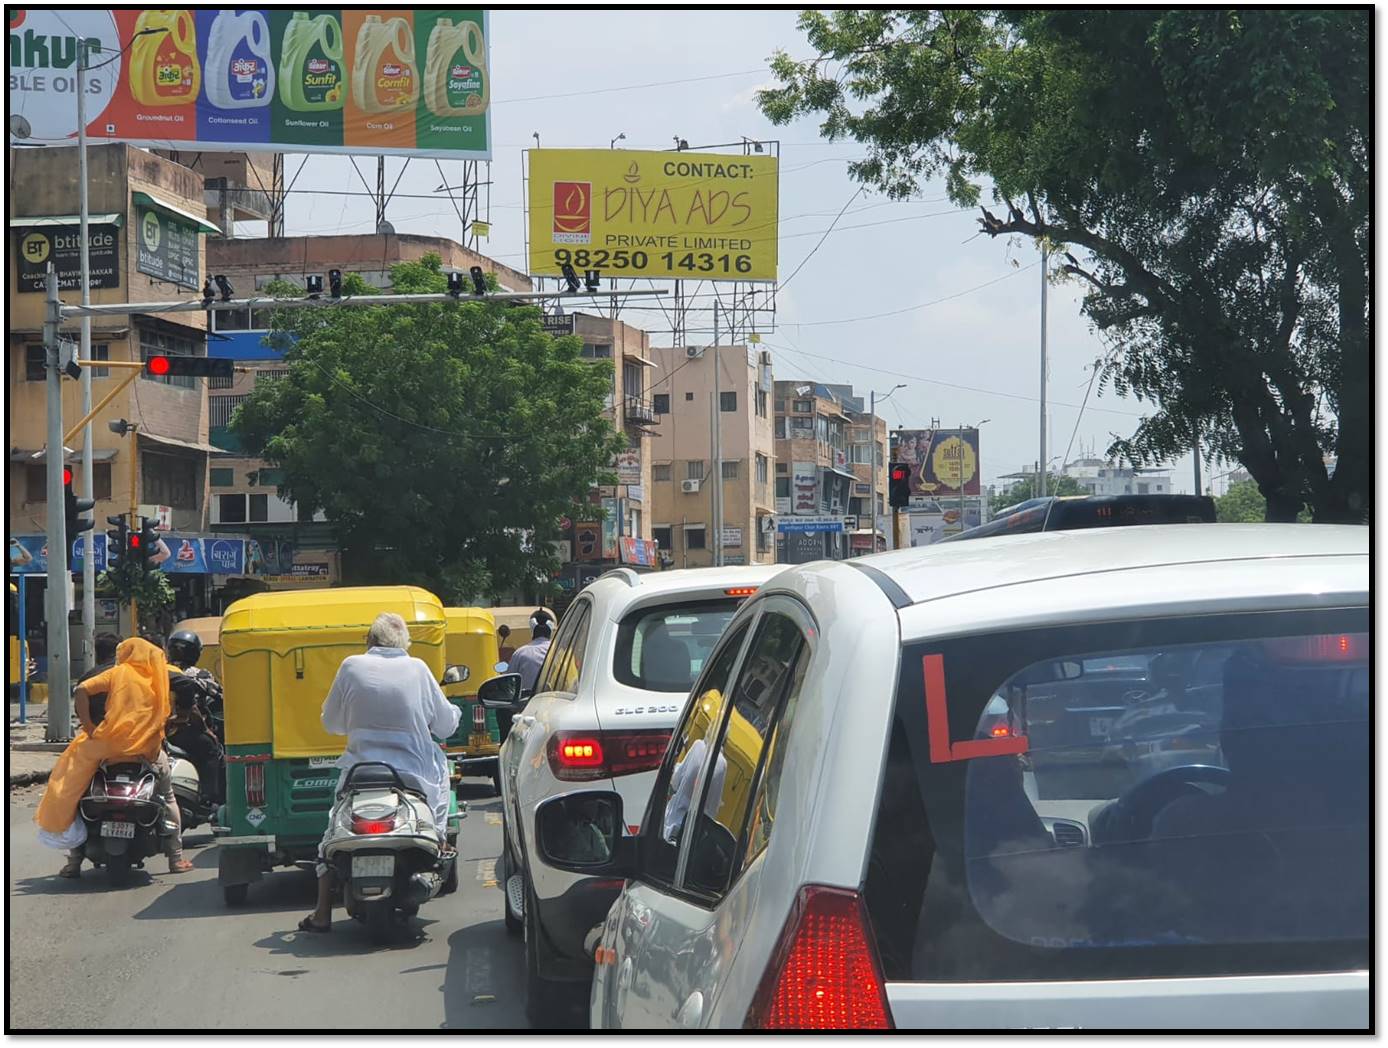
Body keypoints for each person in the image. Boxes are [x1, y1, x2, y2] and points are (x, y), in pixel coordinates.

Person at [299, 612, 461, 933]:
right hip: (415, 775)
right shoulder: (417, 668)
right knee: (441, 786)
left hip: (360, 773)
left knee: (332, 834)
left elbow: (331, 723)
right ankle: (439, 840)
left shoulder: (351, 665)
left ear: (368, 641)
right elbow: (445, 725)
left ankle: (321, 913)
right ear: (405, 644)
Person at [36, 637, 193, 877]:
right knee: (167, 794)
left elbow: (81, 691)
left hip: (106, 748)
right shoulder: (158, 675)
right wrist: (178, 716)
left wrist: (88, 727)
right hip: (145, 750)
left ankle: (74, 861)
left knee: (76, 790)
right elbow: (184, 686)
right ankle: (176, 859)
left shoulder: (116, 673)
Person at [165, 631, 225, 805]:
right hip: (185, 729)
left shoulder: (162, 670)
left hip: (161, 729)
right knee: (212, 749)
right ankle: (210, 798)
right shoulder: (198, 674)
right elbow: (219, 695)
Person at [78, 633, 121, 727]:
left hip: (98, 730)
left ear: (97, 652)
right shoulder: (131, 673)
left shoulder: (87, 677)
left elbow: (80, 694)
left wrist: (88, 727)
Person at [509, 614, 553, 697]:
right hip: (556, 704)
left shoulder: (520, 653)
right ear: (551, 630)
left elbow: (509, 683)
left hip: (527, 705)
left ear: (532, 630)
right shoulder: (560, 653)